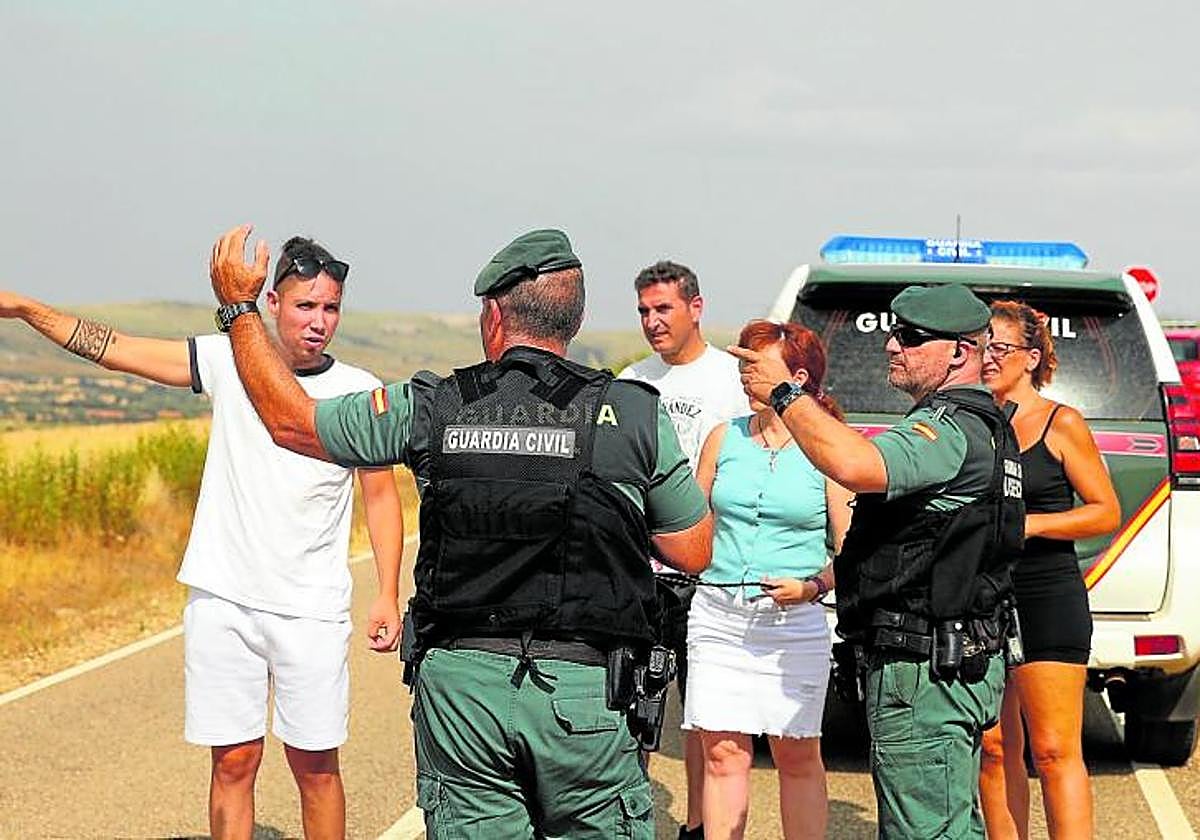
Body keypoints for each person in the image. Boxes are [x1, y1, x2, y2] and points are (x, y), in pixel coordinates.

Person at [208, 224, 714, 839]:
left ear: (494, 316)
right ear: (573, 322)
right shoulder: (631, 412)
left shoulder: (434, 406)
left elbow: (292, 422)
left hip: (462, 697)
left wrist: (239, 309)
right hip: (586, 695)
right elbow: (692, 549)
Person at [0, 235, 405, 840]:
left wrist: (386, 593)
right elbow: (113, 349)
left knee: (316, 767)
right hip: (223, 598)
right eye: (305, 307)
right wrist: (29, 309)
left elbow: (380, 495)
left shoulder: (360, 387)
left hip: (310, 608)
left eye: (331, 308)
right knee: (233, 762)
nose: (319, 322)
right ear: (271, 302)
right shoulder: (226, 360)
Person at [732, 283, 1025, 839]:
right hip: (951, 663)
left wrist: (785, 396)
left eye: (911, 338)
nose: (892, 346)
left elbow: (856, 464)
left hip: (926, 674)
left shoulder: (945, 429)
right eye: (894, 333)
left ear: (960, 352)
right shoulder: (989, 424)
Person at [687, 319, 852, 840]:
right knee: (722, 754)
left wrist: (813, 587)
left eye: (756, 365)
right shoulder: (722, 438)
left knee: (797, 754)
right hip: (716, 616)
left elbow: (854, 552)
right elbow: (689, 525)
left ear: (797, 377)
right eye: (742, 363)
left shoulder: (828, 448)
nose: (744, 375)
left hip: (794, 622)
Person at [978, 301, 1120, 839]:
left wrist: (1028, 525)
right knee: (993, 748)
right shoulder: (972, 422)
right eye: (982, 345)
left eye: (1001, 347)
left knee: (1055, 750)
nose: (988, 357)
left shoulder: (1063, 422)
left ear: (1032, 357)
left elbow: (1104, 510)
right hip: (982, 595)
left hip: (1046, 594)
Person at [619, 260, 748, 840]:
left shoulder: (730, 382)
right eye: (644, 310)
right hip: (639, 572)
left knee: (702, 717)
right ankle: (627, 820)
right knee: (632, 704)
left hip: (709, 572)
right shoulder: (631, 383)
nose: (652, 321)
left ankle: (697, 827)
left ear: (696, 308)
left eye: (663, 308)